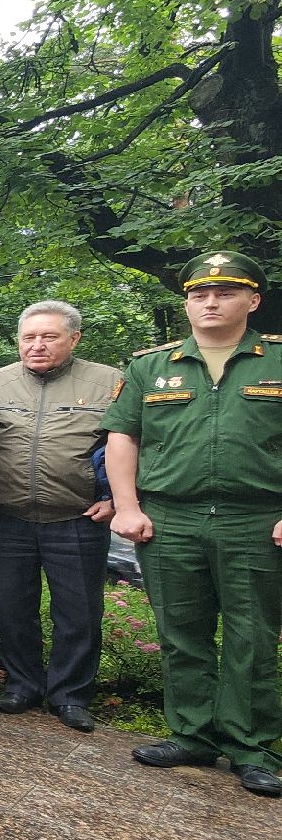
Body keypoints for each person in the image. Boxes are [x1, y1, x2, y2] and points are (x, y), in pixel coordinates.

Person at [103, 251, 282, 797]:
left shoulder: (276, 362)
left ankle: (251, 746)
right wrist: (127, 507)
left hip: (255, 519)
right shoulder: (149, 367)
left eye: (225, 293)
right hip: (170, 519)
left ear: (252, 301)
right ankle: (193, 733)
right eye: (199, 294)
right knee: (181, 633)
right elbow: (123, 439)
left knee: (253, 636)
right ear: (186, 303)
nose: (210, 302)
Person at [0, 301, 120, 732]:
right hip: (7, 517)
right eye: (28, 337)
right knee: (11, 607)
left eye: (49, 337)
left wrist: (117, 498)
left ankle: (71, 696)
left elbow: (134, 442)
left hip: (77, 517)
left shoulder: (108, 382)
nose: (37, 346)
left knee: (78, 612)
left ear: (74, 338)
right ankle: (23, 685)